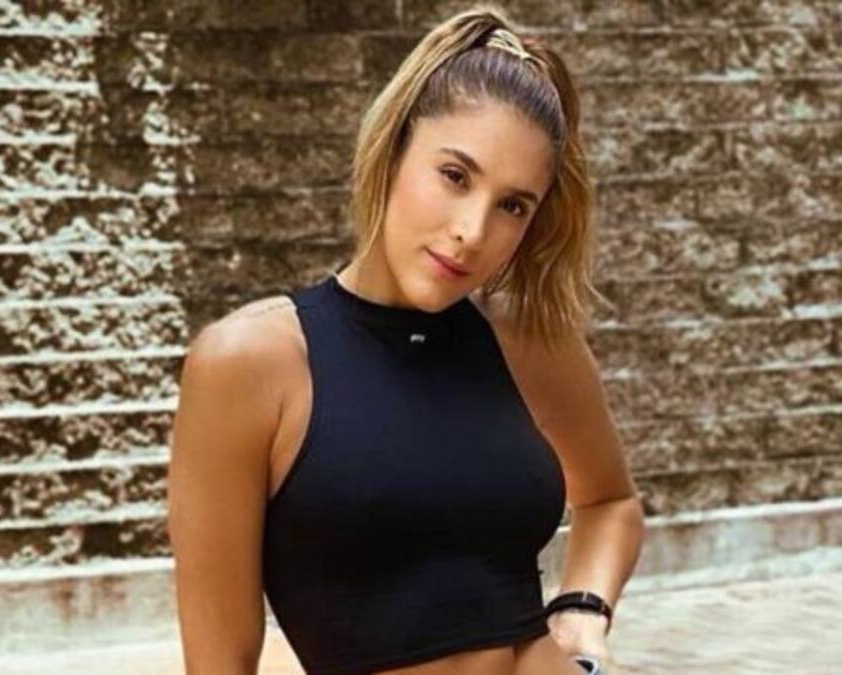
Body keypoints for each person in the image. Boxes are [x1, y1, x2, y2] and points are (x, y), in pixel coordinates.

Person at [168, 5, 645, 674]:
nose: (472, 231)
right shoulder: (250, 364)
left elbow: (611, 500)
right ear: (394, 149)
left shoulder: (526, 342)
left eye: (513, 205)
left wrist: (583, 613)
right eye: (455, 176)